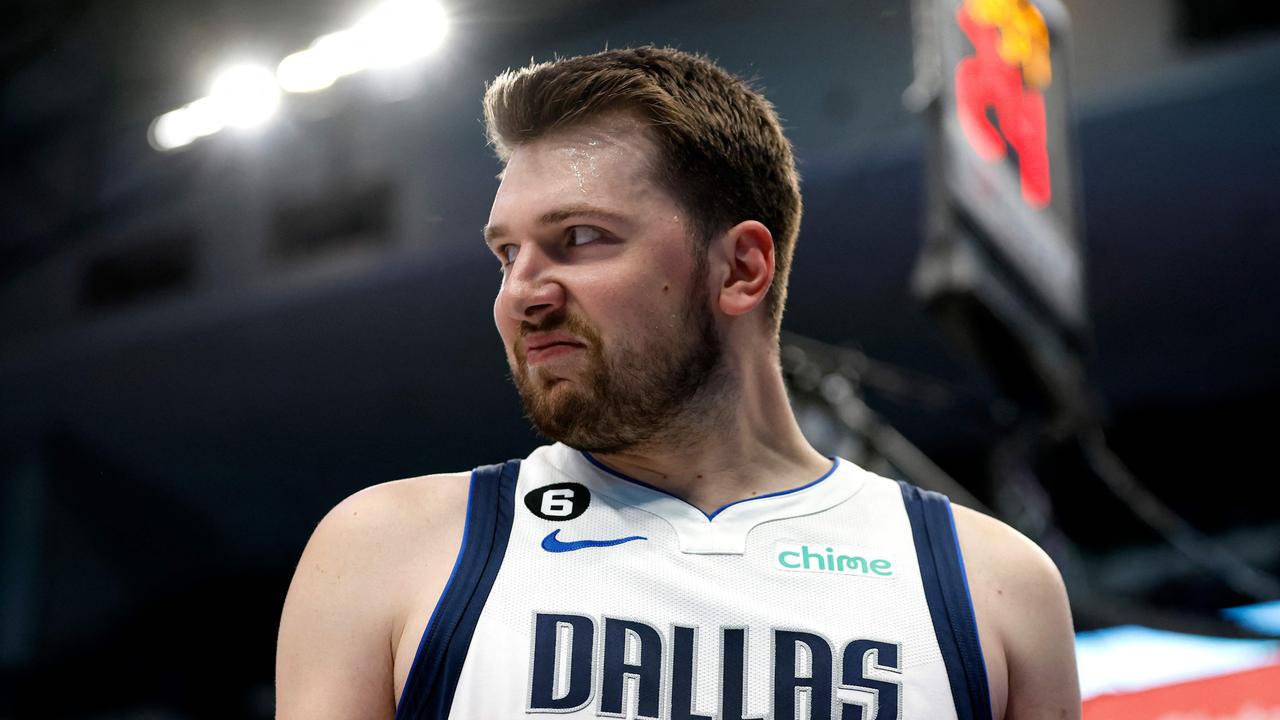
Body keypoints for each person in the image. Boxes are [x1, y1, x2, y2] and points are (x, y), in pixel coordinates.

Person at [275, 46, 1080, 720]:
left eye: (580, 238)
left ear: (741, 267)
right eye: (507, 254)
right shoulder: (388, 552)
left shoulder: (992, 588)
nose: (523, 292)